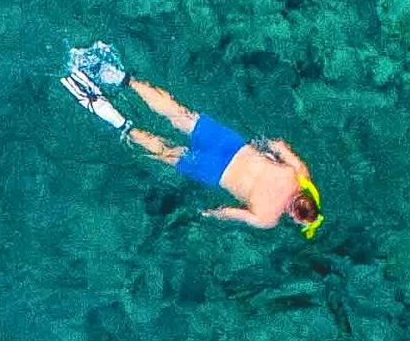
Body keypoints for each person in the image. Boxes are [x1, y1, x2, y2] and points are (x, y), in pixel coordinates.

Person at [119, 74, 322, 233]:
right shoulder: (268, 218)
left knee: (181, 115)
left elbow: (277, 144)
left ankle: (127, 80)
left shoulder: (299, 173)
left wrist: (262, 147)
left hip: (231, 146)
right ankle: (126, 127)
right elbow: (228, 213)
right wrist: (208, 214)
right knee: (168, 152)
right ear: (295, 217)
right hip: (216, 172)